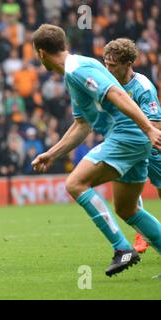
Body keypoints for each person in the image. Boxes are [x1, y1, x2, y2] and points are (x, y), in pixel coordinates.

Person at [30, 25, 161, 277]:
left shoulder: (78, 69)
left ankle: (122, 248)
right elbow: (82, 125)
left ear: (41, 53)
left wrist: (147, 128)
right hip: (131, 137)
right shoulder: (73, 73)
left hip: (128, 134)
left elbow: (115, 93)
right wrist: (52, 153)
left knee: (75, 183)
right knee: (126, 209)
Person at [103, 38, 161, 254]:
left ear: (128, 64)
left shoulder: (143, 87)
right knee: (127, 192)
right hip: (128, 147)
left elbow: (155, 124)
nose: (107, 69)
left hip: (153, 148)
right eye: (105, 63)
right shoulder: (108, 84)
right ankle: (142, 234)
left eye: (113, 65)